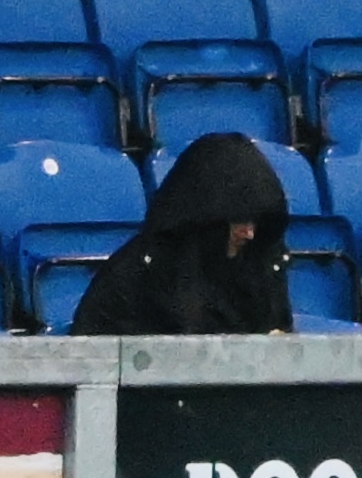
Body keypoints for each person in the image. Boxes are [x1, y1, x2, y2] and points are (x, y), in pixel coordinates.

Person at [71, 127, 299, 333]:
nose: (249, 233)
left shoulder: (261, 268)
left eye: (256, 222)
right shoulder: (137, 276)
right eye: (238, 220)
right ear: (206, 217)